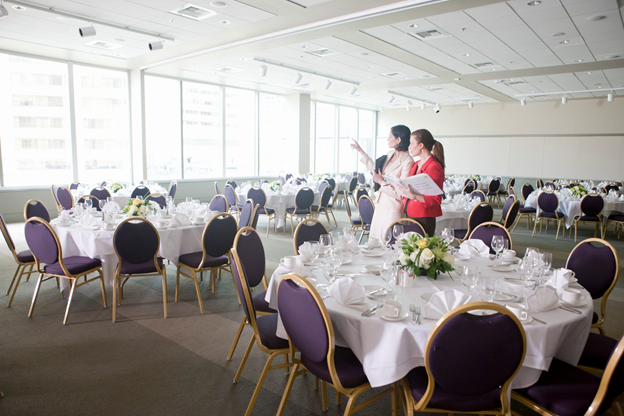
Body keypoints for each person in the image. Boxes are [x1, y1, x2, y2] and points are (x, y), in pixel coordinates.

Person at [351, 125, 414, 241]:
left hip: (393, 209)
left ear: (398, 139)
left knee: (389, 244)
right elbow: (375, 170)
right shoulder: (390, 154)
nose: (387, 139)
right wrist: (360, 151)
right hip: (380, 205)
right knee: (375, 243)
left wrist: (381, 182)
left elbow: (401, 193)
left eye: (390, 136)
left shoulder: (408, 161)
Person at [394, 129, 445, 237]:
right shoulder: (416, 164)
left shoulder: (434, 167)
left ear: (421, 145)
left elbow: (436, 200)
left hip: (424, 217)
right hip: (410, 213)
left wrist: (413, 195)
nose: (409, 147)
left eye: (411, 143)